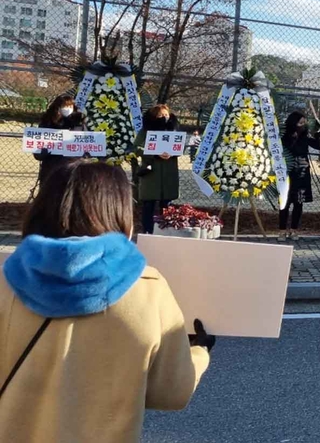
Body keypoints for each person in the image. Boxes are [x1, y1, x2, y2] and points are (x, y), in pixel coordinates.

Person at [0, 160, 213, 443]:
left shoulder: (5, 282)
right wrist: (199, 352)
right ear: (121, 218)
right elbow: (172, 393)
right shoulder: (148, 289)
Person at [134, 104, 180, 235]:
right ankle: (147, 232)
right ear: (153, 117)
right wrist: (154, 153)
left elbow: (180, 147)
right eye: (160, 115)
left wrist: (172, 153)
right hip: (151, 173)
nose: (164, 118)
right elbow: (136, 148)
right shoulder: (145, 131)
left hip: (169, 173)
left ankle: (165, 232)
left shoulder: (173, 132)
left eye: (166, 115)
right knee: (148, 205)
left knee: (167, 205)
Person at [279, 111, 320, 241]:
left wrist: (318, 132)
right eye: (300, 122)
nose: (302, 125)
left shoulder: (305, 135)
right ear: (293, 122)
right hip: (287, 173)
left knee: (299, 203)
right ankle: (282, 230)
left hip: (302, 174)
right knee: (284, 202)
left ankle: (294, 230)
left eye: (304, 123)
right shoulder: (284, 135)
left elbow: (317, 145)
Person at [33, 95, 84, 186]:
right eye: (64, 106)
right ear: (57, 107)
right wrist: (50, 148)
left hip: (73, 169)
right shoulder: (47, 123)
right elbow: (38, 153)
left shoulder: (79, 123)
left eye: (70, 106)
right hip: (51, 169)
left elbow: (86, 145)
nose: (67, 109)